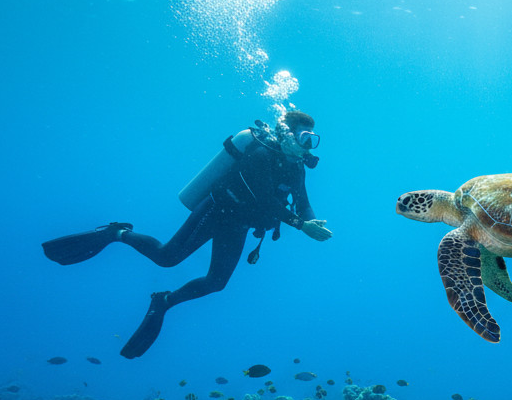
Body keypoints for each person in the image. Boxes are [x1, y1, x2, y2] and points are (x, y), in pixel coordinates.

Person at [42, 110, 332, 358]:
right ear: (288, 134)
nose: (309, 146)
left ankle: (164, 301)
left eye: (313, 140)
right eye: (305, 138)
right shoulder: (260, 154)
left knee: (217, 283)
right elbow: (265, 199)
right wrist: (300, 224)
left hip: (239, 224)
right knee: (167, 258)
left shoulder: (296, 168)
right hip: (217, 210)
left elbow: (302, 199)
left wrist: (311, 220)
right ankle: (116, 232)